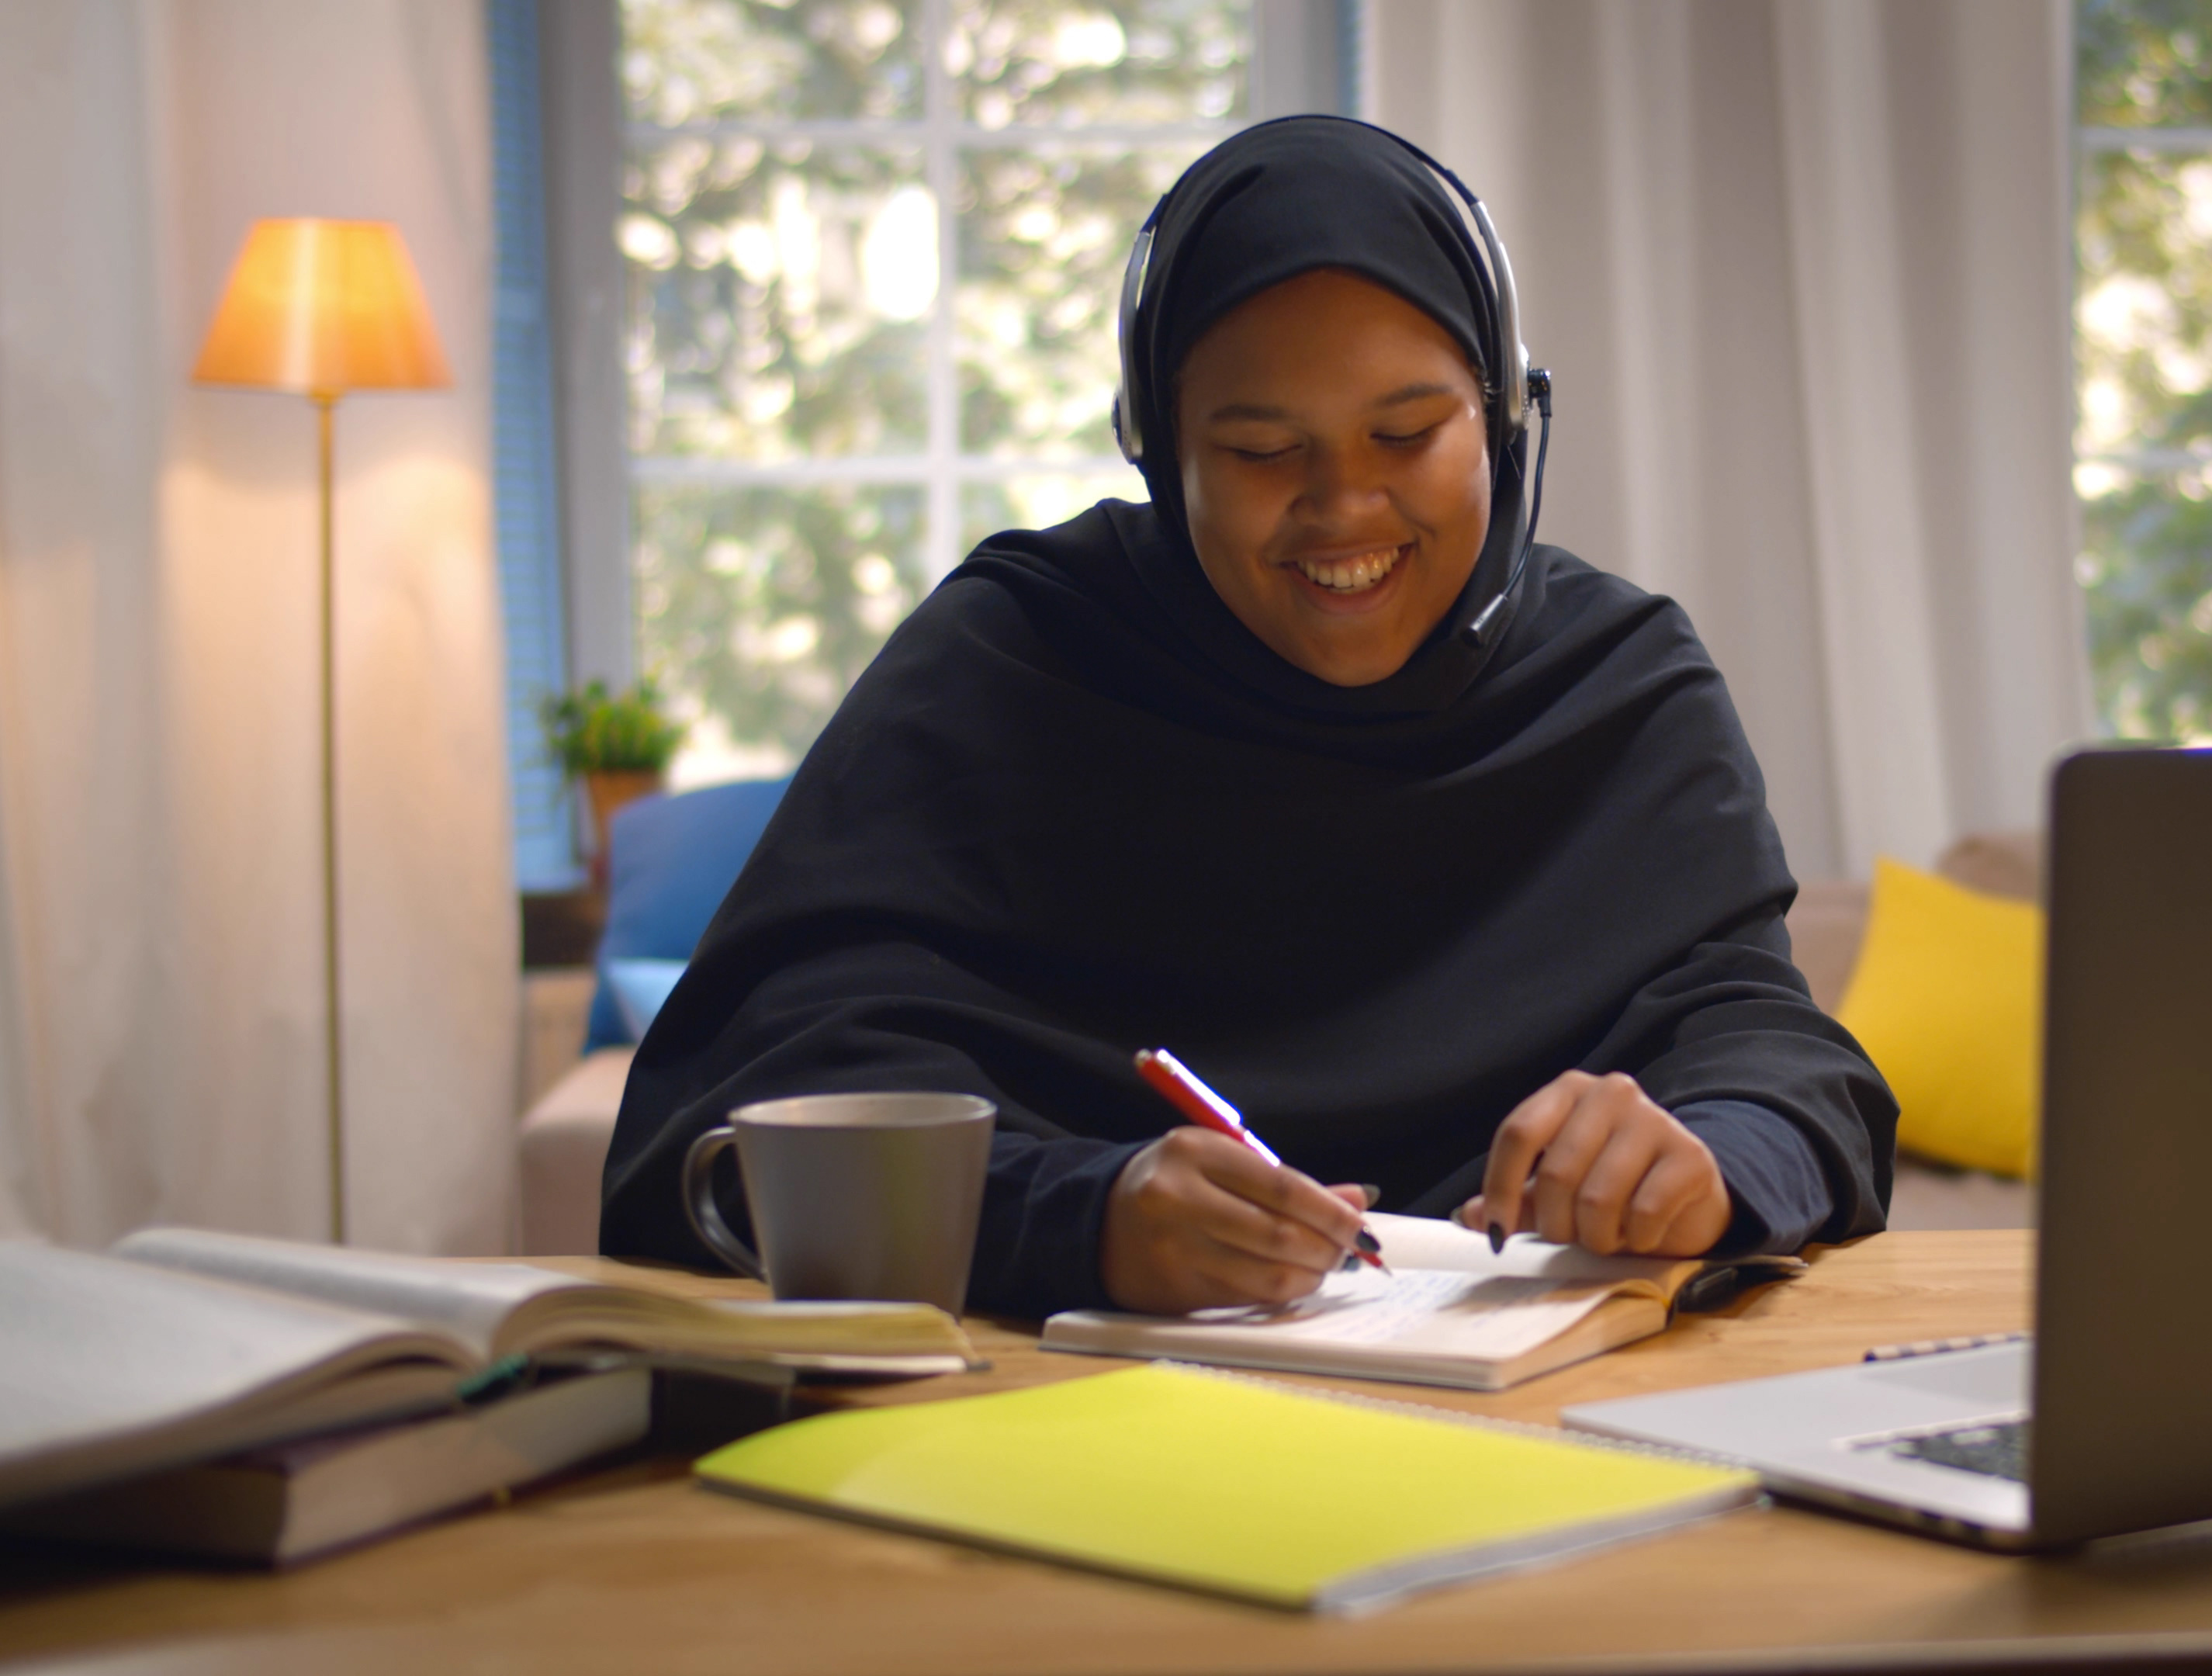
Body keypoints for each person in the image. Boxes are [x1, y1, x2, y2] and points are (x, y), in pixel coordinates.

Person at [599, 116, 1895, 1318]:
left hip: (1549, 1406)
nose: (1345, 508)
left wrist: (1712, 1162)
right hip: (1054, 1417)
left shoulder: (1620, 683)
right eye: (1265, 452)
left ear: (1503, 419)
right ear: (1160, 454)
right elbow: (733, 1130)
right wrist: (1078, 1217)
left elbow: (1778, 1058)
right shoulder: (1012, 664)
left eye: (1408, 432)